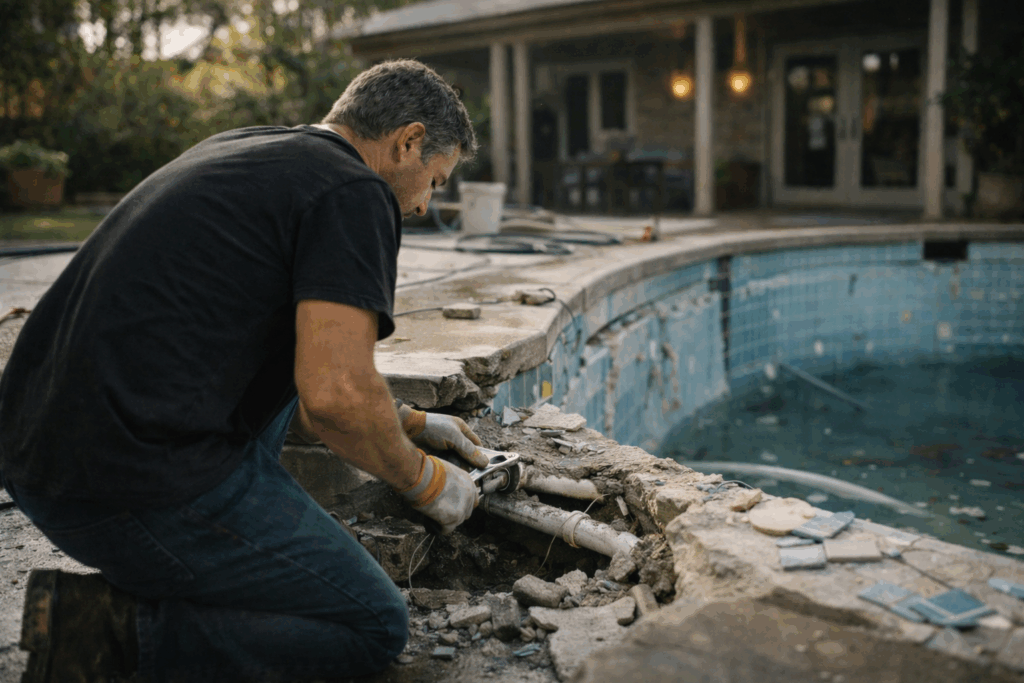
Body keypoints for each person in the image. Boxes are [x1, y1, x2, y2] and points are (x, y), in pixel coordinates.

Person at [0, 59, 484, 683]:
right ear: (408, 142)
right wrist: (425, 482)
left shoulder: (250, 147)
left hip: (37, 447)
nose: (421, 205)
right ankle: (104, 633)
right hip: (119, 479)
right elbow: (333, 398)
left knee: (290, 348)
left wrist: (407, 422)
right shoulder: (355, 191)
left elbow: (297, 371)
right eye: (435, 182)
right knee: (371, 625)